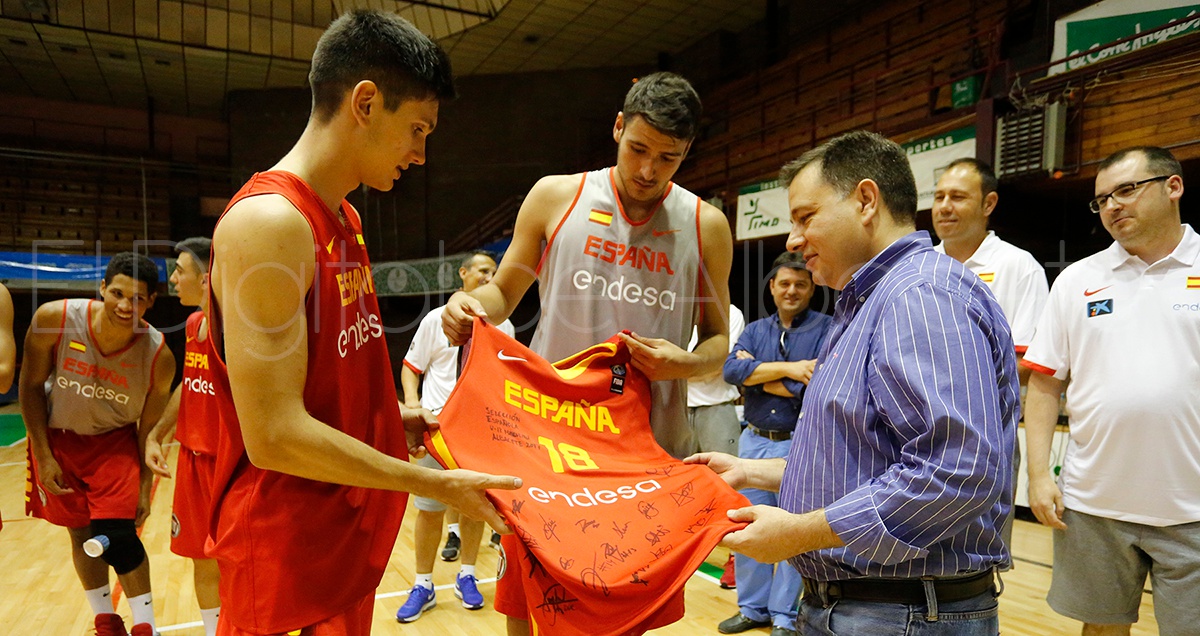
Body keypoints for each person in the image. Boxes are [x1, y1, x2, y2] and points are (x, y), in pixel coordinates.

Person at [203, 11, 519, 635]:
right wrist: (439, 484)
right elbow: (273, 435)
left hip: (342, 527)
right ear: (366, 103)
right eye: (418, 129)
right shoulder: (269, 224)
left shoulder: (343, 216)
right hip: (286, 550)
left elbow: (332, 368)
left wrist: (385, 417)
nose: (422, 155)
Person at [688, 130, 1018, 635]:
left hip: (901, 610)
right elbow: (866, 455)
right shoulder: (873, 299)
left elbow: (956, 472)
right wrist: (757, 473)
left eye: (805, 217)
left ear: (866, 200)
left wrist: (798, 533)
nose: (793, 240)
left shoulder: (921, 295)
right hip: (873, 606)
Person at [442, 71, 733, 636]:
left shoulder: (707, 224)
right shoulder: (558, 195)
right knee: (528, 602)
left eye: (668, 159)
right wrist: (466, 302)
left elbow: (720, 345)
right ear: (618, 128)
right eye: (638, 149)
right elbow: (502, 295)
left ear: (688, 151)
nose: (648, 171)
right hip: (551, 441)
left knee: (619, 615)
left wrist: (684, 363)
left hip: (642, 453)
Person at [1023, 146, 1199, 636]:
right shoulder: (1078, 280)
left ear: (1173, 186)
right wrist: (1039, 475)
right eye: (1102, 199)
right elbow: (1044, 382)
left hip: (1193, 509)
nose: (1113, 206)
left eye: (1126, 190)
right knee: (1100, 630)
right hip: (1094, 504)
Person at [21, 252, 175, 636]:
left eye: (138, 299)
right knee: (80, 534)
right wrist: (43, 454)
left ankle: (146, 627)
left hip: (116, 443)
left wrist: (143, 487)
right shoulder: (54, 319)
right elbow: (29, 387)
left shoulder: (159, 355)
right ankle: (106, 621)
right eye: (118, 294)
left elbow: (149, 430)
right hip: (59, 440)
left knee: (119, 538)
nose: (126, 306)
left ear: (151, 302)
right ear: (102, 288)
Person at [931, 157, 1048, 553]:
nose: (945, 206)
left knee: (979, 558)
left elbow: (1025, 365)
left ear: (988, 204)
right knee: (912, 554)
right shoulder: (918, 265)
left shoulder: (1019, 268)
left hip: (984, 442)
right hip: (913, 435)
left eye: (958, 197)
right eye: (939, 196)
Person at [395, 250, 514, 622]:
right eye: (481, 270)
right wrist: (413, 406)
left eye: (493, 272)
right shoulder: (436, 319)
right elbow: (411, 368)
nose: (488, 277)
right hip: (437, 429)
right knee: (429, 509)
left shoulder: (504, 327)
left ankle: (467, 575)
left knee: (473, 507)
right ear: (463, 274)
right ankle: (423, 583)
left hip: (479, 431)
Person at [717, 253, 830, 636]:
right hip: (753, 441)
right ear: (772, 287)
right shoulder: (755, 330)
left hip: (799, 444)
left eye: (800, 284)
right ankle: (752, 609)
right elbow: (731, 370)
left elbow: (813, 387)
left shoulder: (828, 329)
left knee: (790, 531)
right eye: (784, 283)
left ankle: (784, 615)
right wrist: (790, 368)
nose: (792, 291)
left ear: (812, 287)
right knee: (747, 526)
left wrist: (757, 374)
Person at [142, 238, 221, 636]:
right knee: (200, 559)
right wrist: (157, 433)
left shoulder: (235, 328)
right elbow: (191, 383)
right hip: (192, 459)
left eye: (179, 270)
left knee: (239, 561)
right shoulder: (193, 325)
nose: (173, 278)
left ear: (206, 278)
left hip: (229, 463)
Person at [685, 302, 745, 589]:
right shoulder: (670, 304)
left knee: (729, 486)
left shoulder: (729, 313)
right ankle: (678, 552)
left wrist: (669, 368)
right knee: (674, 486)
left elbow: (719, 367)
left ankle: (736, 557)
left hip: (717, 407)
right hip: (675, 406)